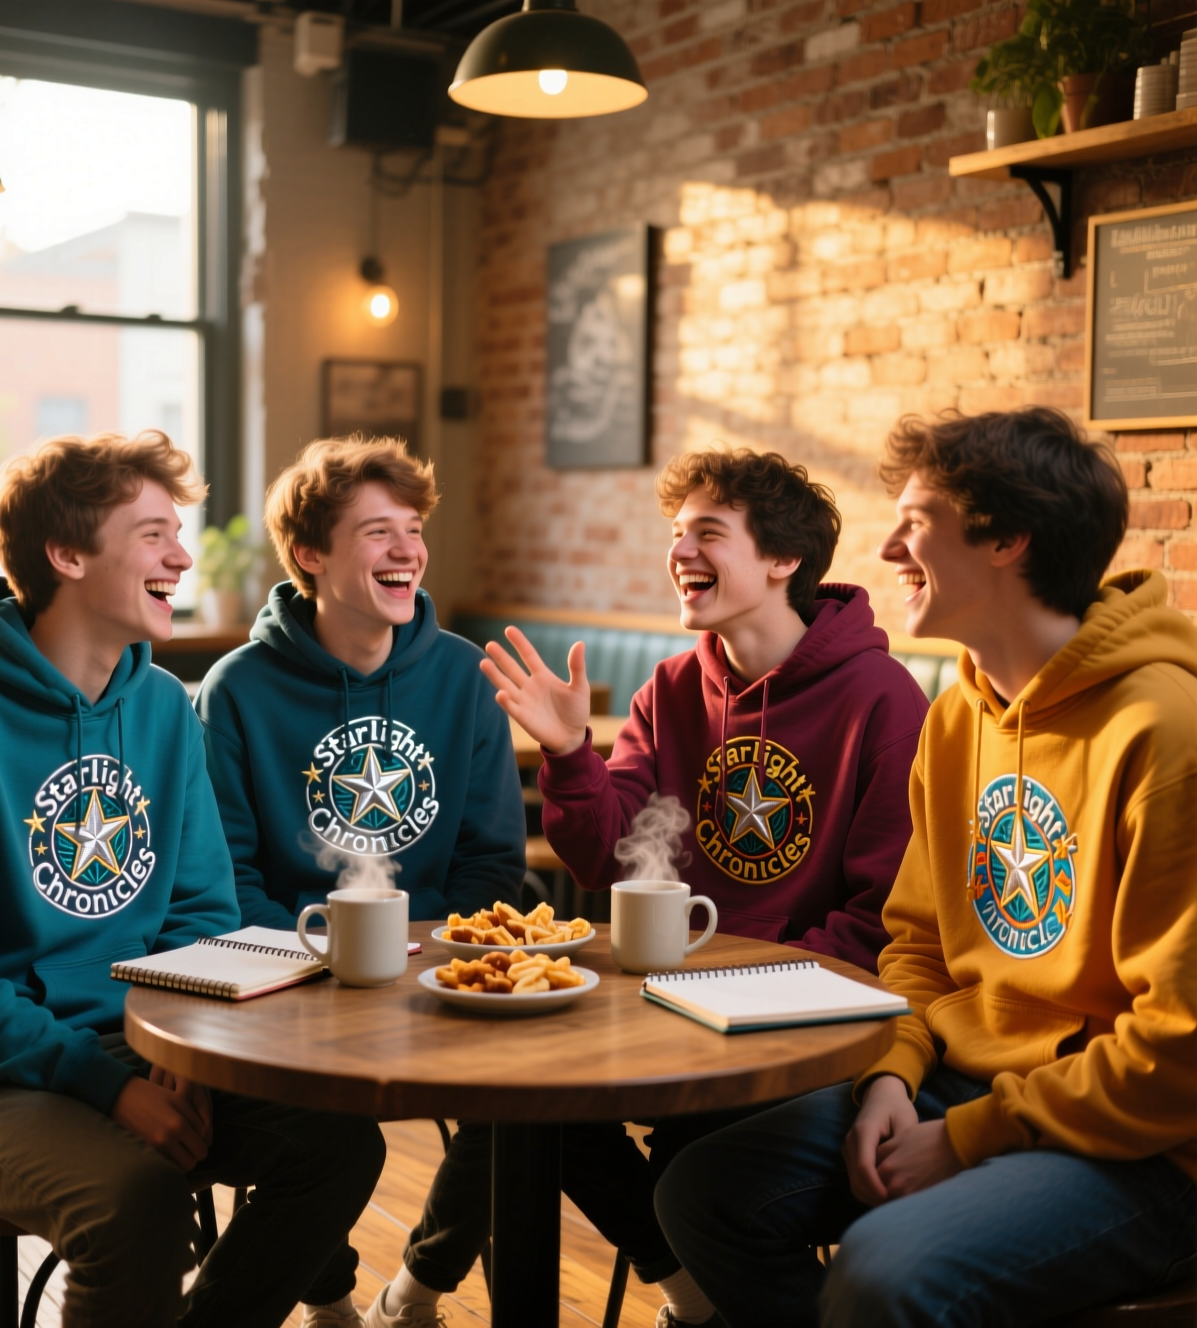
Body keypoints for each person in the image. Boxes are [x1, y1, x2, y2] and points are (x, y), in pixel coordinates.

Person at [654, 407, 1197, 1327]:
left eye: (916, 521)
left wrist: (972, 1136)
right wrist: (892, 1080)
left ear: (1008, 540)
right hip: (971, 1082)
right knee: (703, 1192)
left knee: (885, 1271)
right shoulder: (959, 717)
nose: (888, 546)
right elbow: (916, 946)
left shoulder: (1163, 731)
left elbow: (1178, 1056)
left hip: (1148, 1141)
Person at [0, 431, 386, 1328]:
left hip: (144, 1041)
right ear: (67, 555)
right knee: (138, 1204)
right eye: (153, 535)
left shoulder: (162, 710)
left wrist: (184, 1051)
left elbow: (201, 915)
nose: (181, 556)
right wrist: (110, 1088)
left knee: (339, 1146)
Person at [480, 446, 929, 1327]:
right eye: (676, 533)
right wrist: (571, 756)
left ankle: (710, 1290)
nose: (681, 550)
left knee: (693, 1150)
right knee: (534, 1103)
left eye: (708, 533)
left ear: (783, 559)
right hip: (681, 1004)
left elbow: (881, 923)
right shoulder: (672, 688)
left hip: (807, 1024)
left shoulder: (884, 700)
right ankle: (694, 1292)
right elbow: (611, 863)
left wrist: (741, 987)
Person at [196, 436, 526, 1328]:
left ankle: (415, 1292)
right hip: (292, 984)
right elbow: (228, 879)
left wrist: (413, 950)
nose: (406, 550)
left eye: (412, 529)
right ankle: (331, 1303)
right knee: (322, 1133)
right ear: (310, 554)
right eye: (376, 531)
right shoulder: (237, 689)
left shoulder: (463, 676)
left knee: (535, 1098)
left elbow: (494, 865)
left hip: (437, 975)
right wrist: (329, 960)